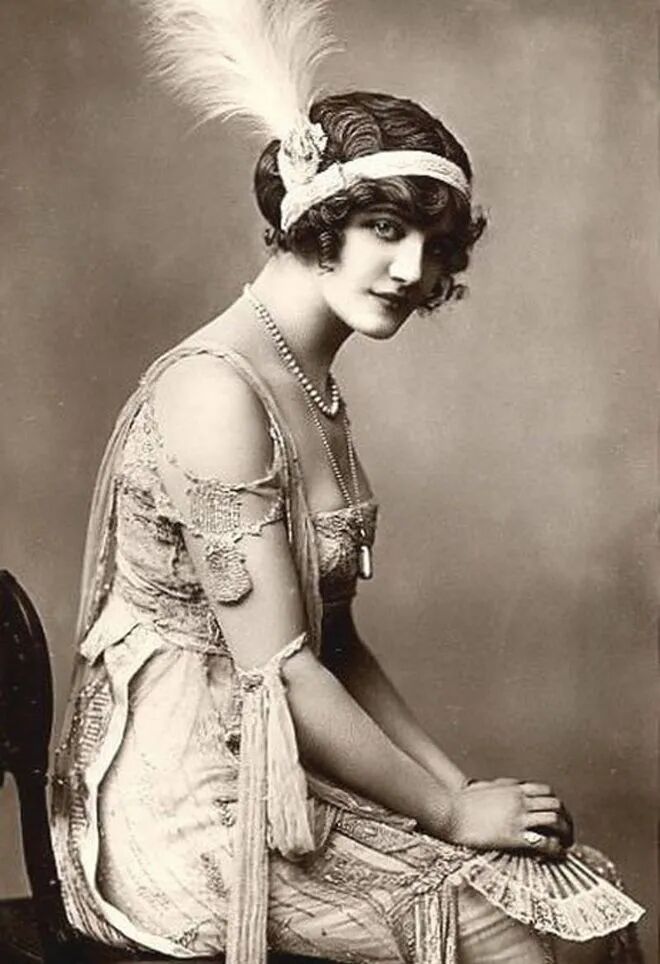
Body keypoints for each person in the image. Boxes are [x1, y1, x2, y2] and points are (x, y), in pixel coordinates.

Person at [50, 5, 644, 964]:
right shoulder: (216, 392)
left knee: (586, 906)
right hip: (180, 801)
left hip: (283, 759)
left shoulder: (309, 384)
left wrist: (462, 792)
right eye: (384, 229)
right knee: (514, 944)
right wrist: (448, 813)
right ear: (312, 221)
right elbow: (284, 672)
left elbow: (338, 646)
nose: (412, 270)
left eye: (433, 246)